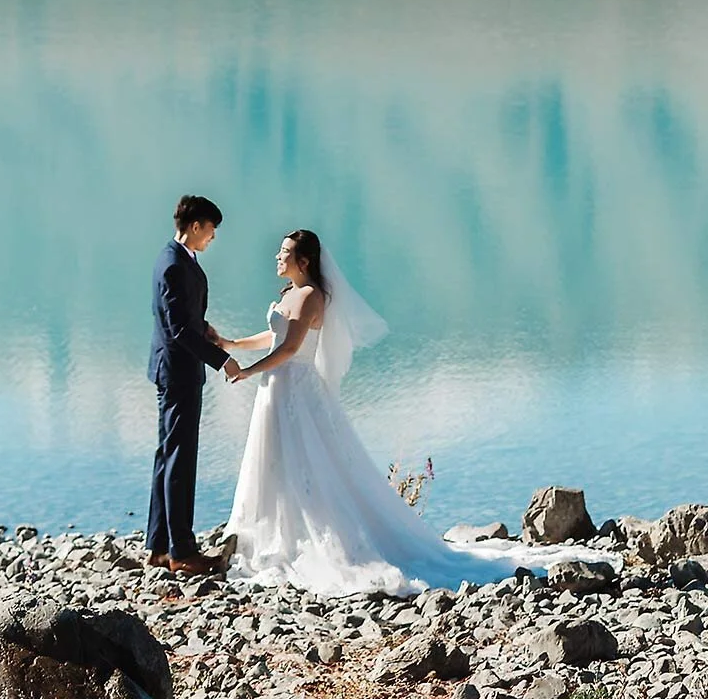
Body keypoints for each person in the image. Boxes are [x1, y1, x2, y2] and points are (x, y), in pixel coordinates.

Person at [220, 228, 596, 595]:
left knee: (309, 462)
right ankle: (280, 535)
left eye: (284, 252)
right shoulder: (291, 294)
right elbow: (274, 337)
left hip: (295, 388)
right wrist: (231, 343)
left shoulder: (310, 297)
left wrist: (248, 371)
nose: (277, 256)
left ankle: (317, 536)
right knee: (279, 461)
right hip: (278, 387)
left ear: (303, 260)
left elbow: (289, 350)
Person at [146, 194, 240, 575]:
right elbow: (178, 327)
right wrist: (222, 359)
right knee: (180, 459)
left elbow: (186, 317)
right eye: (212, 229)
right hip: (178, 372)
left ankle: (158, 547)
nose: (213, 237)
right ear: (196, 225)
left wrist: (206, 328)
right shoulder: (173, 264)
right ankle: (182, 551)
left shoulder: (179, 259)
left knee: (168, 455)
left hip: (176, 368)